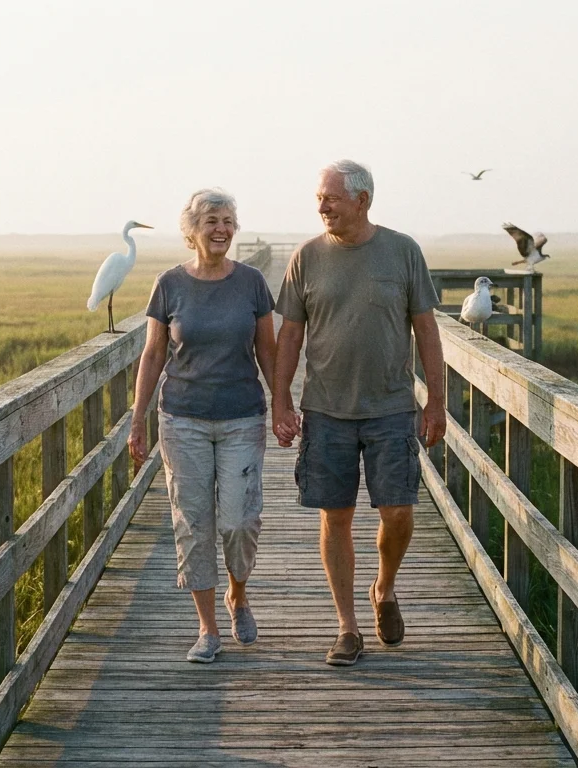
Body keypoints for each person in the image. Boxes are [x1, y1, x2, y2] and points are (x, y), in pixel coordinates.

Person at [271, 160, 446, 666]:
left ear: (363, 200)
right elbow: (290, 336)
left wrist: (435, 400)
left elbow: (427, 330)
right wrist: (281, 399)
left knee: (397, 511)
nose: (322, 206)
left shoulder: (402, 251)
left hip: (391, 406)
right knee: (336, 515)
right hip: (326, 408)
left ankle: (384, 588)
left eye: (331, 198)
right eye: (319, 199)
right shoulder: (306, 257)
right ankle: (347, 627)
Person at [129, 188, 278, 663]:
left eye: (229, 220)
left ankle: (238, 594)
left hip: (242, 416)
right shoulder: (169, 284)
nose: (222, 229)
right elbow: (153, 355)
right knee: (193, 524)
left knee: (238, 522)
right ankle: (208, 629)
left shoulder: (252, 282)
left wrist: (286, 405)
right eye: (212, 220)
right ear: (192, 230)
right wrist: (137, 420)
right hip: (182, 419)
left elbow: (268, 351)